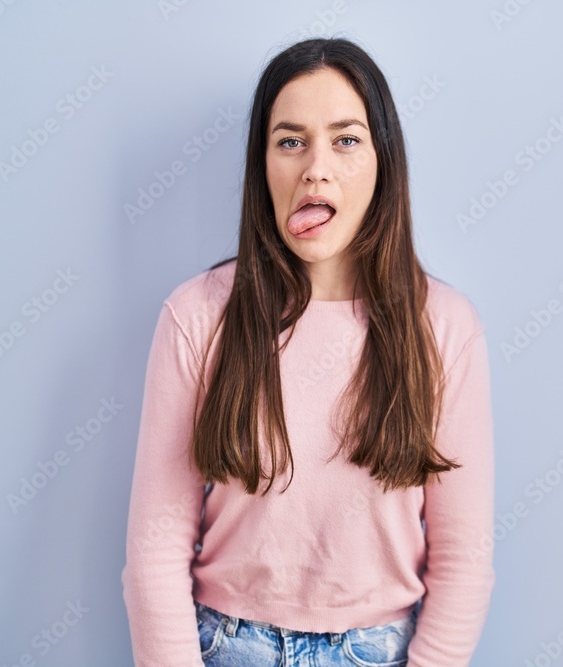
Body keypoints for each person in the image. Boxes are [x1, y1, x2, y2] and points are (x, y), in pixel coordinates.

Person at [121, 37, 496, 666]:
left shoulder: (446, 326)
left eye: (346, 140)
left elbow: (464, 558)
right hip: (223, 645)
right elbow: (154, 552)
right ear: (263, 165)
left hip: (383, 650)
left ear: (383, 162)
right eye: (290, 141)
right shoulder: (196, 317)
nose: (315, 168)